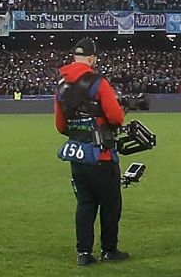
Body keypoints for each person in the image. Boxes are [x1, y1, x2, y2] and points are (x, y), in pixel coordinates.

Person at [54, 38, 128, 265]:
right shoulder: (98, 83)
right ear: (92, 58)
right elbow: (116, 117)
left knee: (85, 204)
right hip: (101, 155)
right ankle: (109, 250)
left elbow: (60, 125)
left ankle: (84, 253)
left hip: (77, 153)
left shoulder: (62, 86)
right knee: (110, 204)